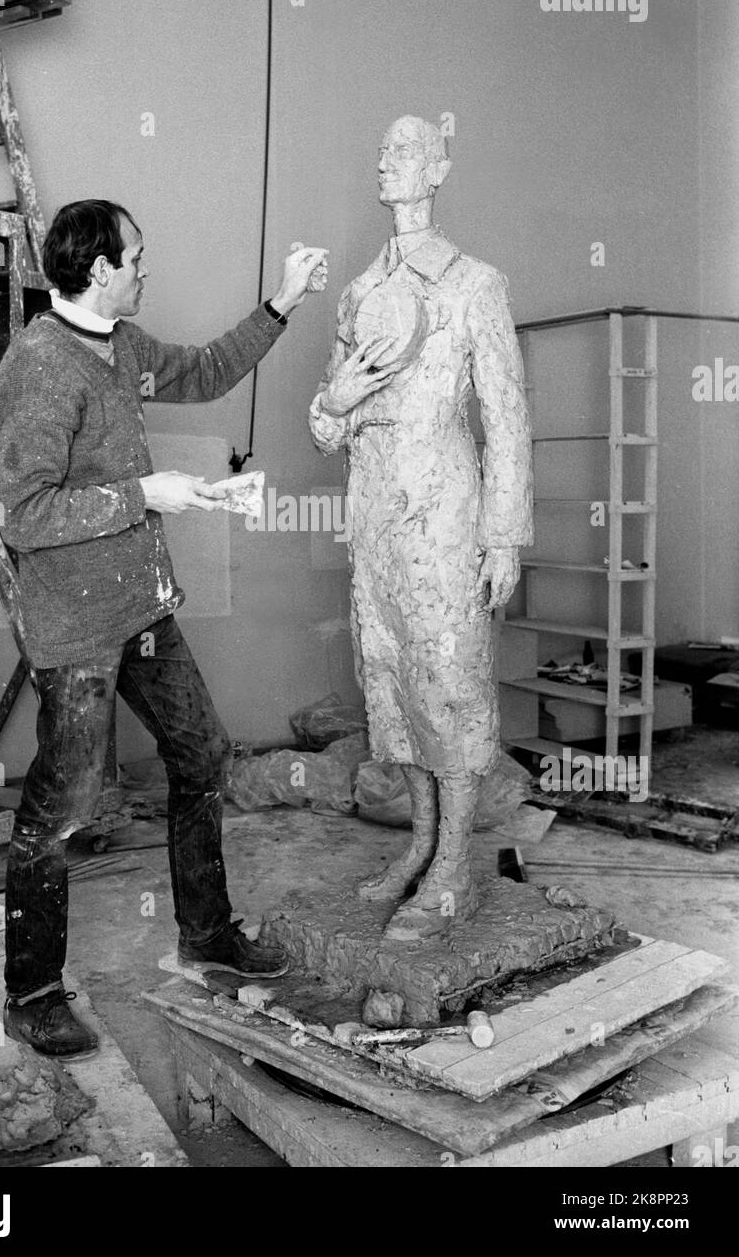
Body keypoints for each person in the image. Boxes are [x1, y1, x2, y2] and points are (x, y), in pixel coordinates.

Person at [0, 199, 327, 1056]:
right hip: (75, 626)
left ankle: (207, 937)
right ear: (99, 269)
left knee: (203, 755)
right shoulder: (39, 364)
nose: (147, 267)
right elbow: (25, 517)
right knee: (60, 806)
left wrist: (282, 301)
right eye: (136, 256)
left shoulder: (121, 345)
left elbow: (208, 371)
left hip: (140, 605)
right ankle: (32, 993)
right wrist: (145, 494)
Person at [308, 116, 532, 939]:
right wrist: (333, 405)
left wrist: (504, 535)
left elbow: (506, 418)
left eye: (403, 151)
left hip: (447, 516)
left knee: (452, 682)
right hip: (376, 524)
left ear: (438, 168)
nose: (385, 161)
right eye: (382, 150)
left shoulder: (476, 284)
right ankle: (422, 846)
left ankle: (456, 871)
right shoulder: (362, 293)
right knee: (396, 684)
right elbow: (328, 423)